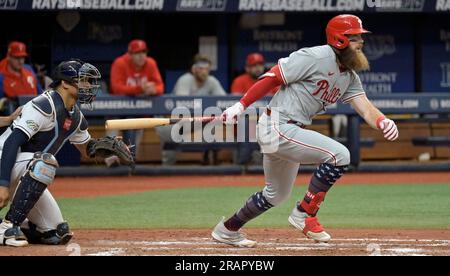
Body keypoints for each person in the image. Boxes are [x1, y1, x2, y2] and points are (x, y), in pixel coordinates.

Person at [212, 14, 399, 247]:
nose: (361, 42)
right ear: (339, 39)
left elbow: (366, 108)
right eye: (355, 38)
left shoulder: (349, 76)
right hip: (278, 125)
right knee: (340, 155)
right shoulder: (315, 56)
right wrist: (240, 106)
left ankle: (227, 229)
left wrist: (383, 121)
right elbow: (272, 77)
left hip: (288, 130)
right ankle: (304, 213)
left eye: (360, 37)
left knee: (276, 194)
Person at [0, 59, 132, 247]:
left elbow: (88, 150)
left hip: (22, 172)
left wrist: (112, 149)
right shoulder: (43, 105)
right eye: (83, 80)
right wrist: (3, 184)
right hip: (3, 165)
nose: (89, 85)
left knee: (56, 230)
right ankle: (7, 227)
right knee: (45, 163)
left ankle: (25, 226)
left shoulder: (75, 116)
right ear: (65, 84)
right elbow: (12, 143)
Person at [157, 54, 226, 165]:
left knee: (212, 122)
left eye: (207, 69)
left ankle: (209, 160)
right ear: (194, 69)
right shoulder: (186, 80)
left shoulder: (211, 81)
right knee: (169, 134)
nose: (204, 72)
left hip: (197, 120)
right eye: (201, 68)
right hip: (175, 121)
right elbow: (182, 108)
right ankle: (167, 167)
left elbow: (223, 101)